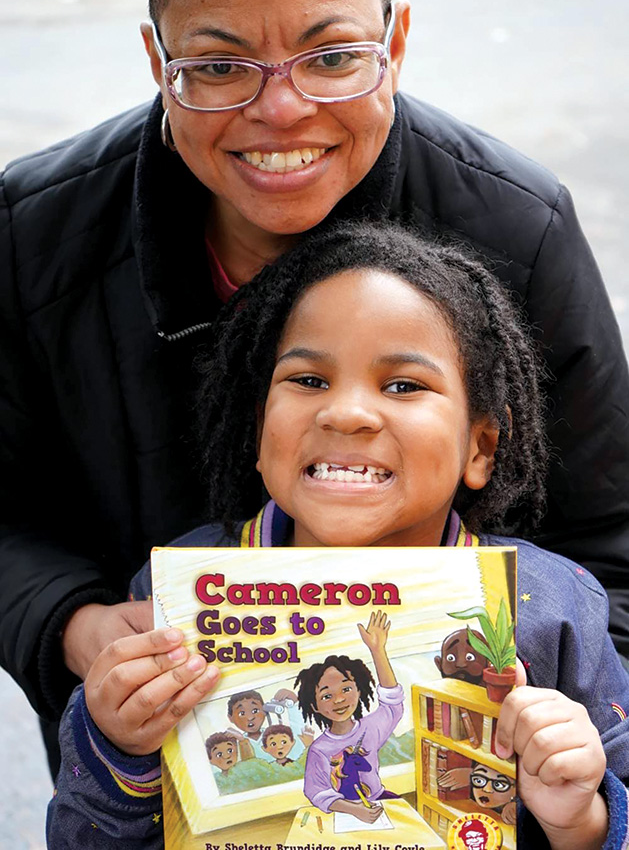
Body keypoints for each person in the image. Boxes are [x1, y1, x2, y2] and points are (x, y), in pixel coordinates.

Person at [1, 0, 628, 775]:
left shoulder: (515, 228)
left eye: (331, 58)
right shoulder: (34, 235)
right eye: (220, 67)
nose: (283, 110)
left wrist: (565, 757)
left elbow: (610, 544)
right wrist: (77, 624)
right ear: (158, 59)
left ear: (394, 40)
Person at [47, 225, 629, 850]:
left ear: (480, 446)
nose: (345, 412)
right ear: (259, 427)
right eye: (308, 380)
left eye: (404, 385)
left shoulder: (554, 607)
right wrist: (116, 748)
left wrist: (582, 820)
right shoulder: (177, 598)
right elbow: (81, 835)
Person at [295, 612, 402, 823]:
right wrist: (354, 810)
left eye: (346, 688)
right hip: (340, 812)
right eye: (327, 695)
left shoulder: (371, 728)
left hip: (378, 800)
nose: (339, 700)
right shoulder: (320, 749)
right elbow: (316, 791)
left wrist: (378, 651)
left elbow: (392, 702)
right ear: (314, 706)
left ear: (359, 690)